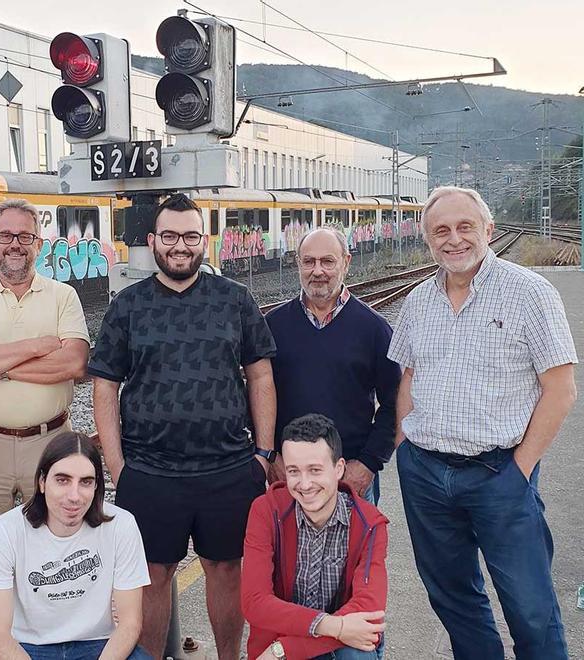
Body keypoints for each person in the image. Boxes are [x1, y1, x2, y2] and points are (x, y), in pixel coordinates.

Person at [388, 186, 577, 659]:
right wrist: (404, 453)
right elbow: (408, 378)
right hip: (426, 475)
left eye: (464, 227)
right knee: (453, 600)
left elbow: (561, 388)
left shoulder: (531, 292)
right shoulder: (417, 302)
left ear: (488, 230)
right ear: (428, 240)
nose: (453, 239)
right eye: (441, 231)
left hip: (501, 474)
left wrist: (521, 468)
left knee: (530, 608)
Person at [90, 193, 277, 660]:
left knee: (227, 569)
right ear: (153, 241)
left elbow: (261, 374)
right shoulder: (128, 306)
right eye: (169, 236)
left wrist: (264, 454)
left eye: (190, 236)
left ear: (205, 242)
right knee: (152, 576)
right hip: (150, 471)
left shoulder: (235, 299)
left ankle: (229, 658)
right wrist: (117, 466)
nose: (180, 246)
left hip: (229, 467)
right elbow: (104, 386)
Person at [0, 198, 90, 659]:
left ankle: (48, 649)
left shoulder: (63, 296)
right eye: (5, 236)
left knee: (51, 558)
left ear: (39, 243)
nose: (15, 245)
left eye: (24, 236)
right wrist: (33, 348)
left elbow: (73, 361)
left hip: (49, 446)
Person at [0, 431, 151, 660]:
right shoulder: (5, 531)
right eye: (62, 480)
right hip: (28, 647)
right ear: (42, 482)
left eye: (86, 482)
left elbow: (130, 624)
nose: (74, 496)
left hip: (98, 644)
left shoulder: (122, 525)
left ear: (96, 487)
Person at [266, 227, 400, 503]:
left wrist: (368, 464)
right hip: (288, 476)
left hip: (348, 476)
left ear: (346, 262)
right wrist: (270, 455)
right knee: (286, 548)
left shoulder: (374, 329)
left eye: (327, 261)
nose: (318, 271)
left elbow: (394, 403)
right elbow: (254, 396)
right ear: (298, 264)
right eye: (309, 261)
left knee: (354, 548)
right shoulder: (273, 326)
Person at [242, 414, 388, 660]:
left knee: (357, 653)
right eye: (293, 471)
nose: (305, 484)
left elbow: (369, 610)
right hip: (284, 639)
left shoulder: (369, 524)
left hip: (314, 649)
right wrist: (337, 627)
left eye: (315, 470)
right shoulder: (266, 510)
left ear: (338, 469)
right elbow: (254, 601)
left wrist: (285, 650)